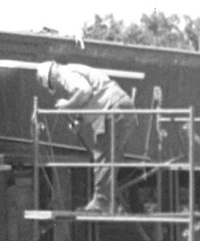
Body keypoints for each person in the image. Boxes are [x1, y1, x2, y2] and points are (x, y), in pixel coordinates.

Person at [36, 61, 136, 212]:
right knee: (109, 159)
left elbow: (84, 91)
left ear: (51, 78)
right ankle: (111, 203)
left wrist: (67, 105)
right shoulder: (75, 71)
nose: (58, 87)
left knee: (102, 155)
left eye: (53, 84)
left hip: (113, 108)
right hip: (121, 108)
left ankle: (101, 204)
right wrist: (79, 122)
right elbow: (92, 100)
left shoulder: (65, 74)